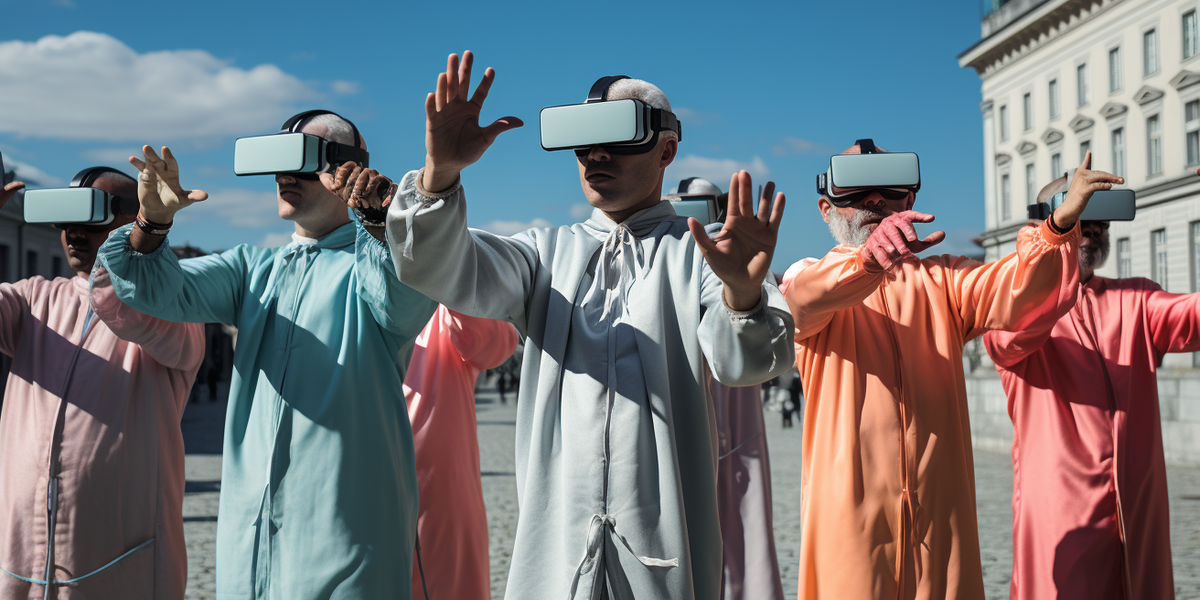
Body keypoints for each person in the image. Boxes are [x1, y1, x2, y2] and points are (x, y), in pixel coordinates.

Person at [380, 51, 794, 600]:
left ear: (667, 149)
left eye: (617, 137)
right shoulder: (543, 253)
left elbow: (747, 364)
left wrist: (742, 293)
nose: (595, 154)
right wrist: (440, 176)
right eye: (583, 139)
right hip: (554, 552)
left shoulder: (699, 257)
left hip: (664, 550)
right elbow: (441, 268)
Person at [95, 111, 438, 599]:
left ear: (346, 170)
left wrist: (381, 226)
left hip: (349, 539)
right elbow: (150, 289)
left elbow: (402, 303)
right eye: (277, 161)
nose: (283, 175)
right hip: (250, 547)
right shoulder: (251, 269)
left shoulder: (380, 262)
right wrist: (151, 224)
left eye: (300, 160)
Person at [779, 145, 1121, 600]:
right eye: (857, 191)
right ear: (826, 208)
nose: (875, 201)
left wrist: (1057, 226)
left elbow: (1017, 288)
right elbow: (805, 298)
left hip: (941, 517)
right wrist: (867, 262)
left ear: (911, 200)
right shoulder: (809, 276)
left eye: (889, 187)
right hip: (848, 521)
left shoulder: (945, 279)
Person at [0, 169, 204, 599]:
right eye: (65, 218)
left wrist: (145, 241)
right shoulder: (33, 298)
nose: (74, 232)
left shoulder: (175, 306)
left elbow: (136, 312)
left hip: (119, 565)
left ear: (136, 218)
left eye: (91, 215)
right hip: (20, 565)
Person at [983, 179, 1190, 600]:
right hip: (1062, 517)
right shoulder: (1013, 306)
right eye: (1081, 222)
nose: (1093, 233)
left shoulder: (1136, 298)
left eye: (1100, 226)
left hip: (1138, 516)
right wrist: (1052, 251)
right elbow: (1008, 335)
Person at [404, 305, 519, 600]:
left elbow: (499, 340)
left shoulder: (443, 311)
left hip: (441, 512)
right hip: (365, 510)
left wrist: (448, 277)